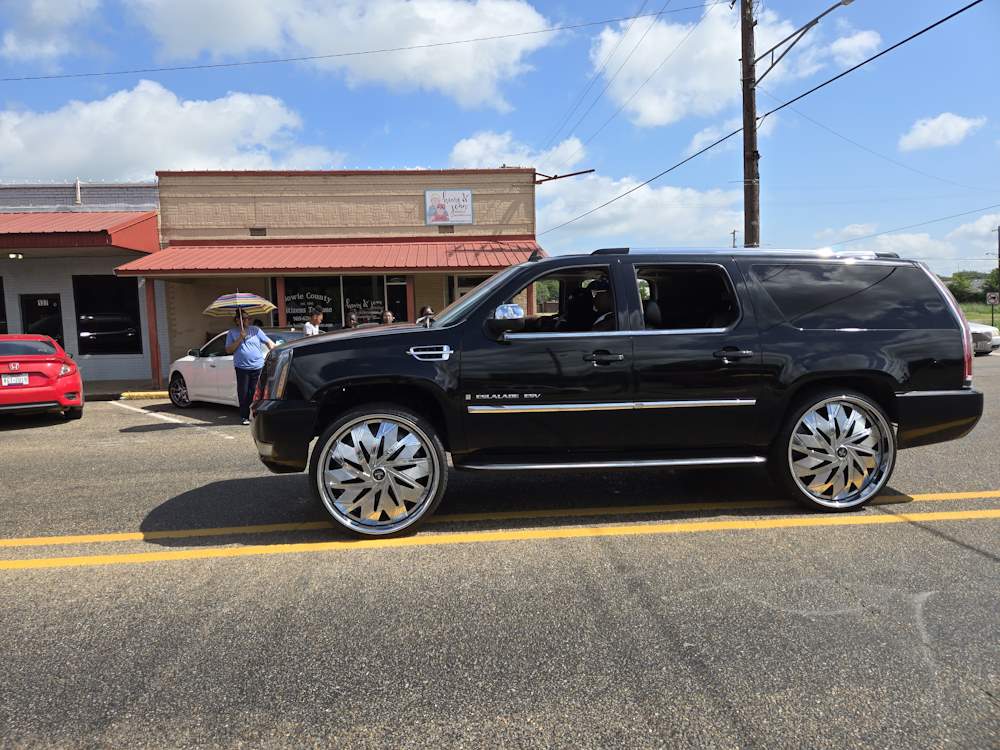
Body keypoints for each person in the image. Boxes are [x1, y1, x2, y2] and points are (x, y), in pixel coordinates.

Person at [225, 311, 275, 425]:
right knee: (243, 392)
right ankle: (244, 416)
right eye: (245, 318)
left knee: (255, 392)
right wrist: (240, 338)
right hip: (242, 367)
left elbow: (268, 342)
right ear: (238, 320)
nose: (248, 320)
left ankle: (255, 414)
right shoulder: (232, 333)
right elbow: (228, 350)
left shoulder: (256, 330)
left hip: (257, 366)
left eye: (248, 318)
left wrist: (275, 349)